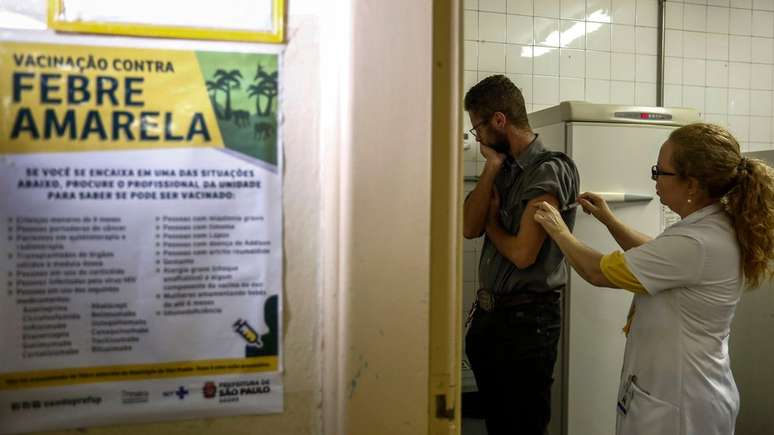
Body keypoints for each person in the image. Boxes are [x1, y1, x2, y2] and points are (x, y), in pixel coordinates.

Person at [533, 123, 774, 435]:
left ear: (693, 184)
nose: (655, 179)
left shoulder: (698, 242)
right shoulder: (707, 229)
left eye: (661, 171)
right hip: (681, 388)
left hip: (681, 405)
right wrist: (610, 220)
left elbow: (598, 271)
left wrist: (559, 230)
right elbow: (657, 256)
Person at [462, 74, 579, 435]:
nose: (477, 138)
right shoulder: (504, 166)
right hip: (492, 318)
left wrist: (494, 223)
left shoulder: (548, 169)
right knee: (499, 425)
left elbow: (523, 253)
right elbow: (468, 226)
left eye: (477, 127)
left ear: (499, 120)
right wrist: (491, 169)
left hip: (528, 323)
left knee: (523, 426)